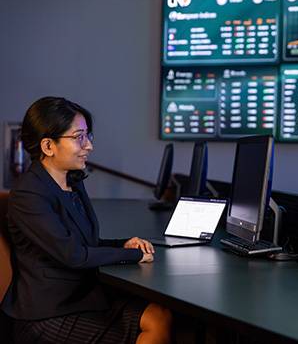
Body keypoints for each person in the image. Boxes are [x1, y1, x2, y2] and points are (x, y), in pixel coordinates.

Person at [1, 97, 172, 343]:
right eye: (79, 137)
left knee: (160, 316)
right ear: (48, 146)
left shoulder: (72, 181)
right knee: (151, 329)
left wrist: (123, 244)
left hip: (83, 294)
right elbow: (74, 255)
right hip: (48, 312)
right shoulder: (29, 194)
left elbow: (85, 242)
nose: (89, 145)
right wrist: (135, 256)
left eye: (88, 136)